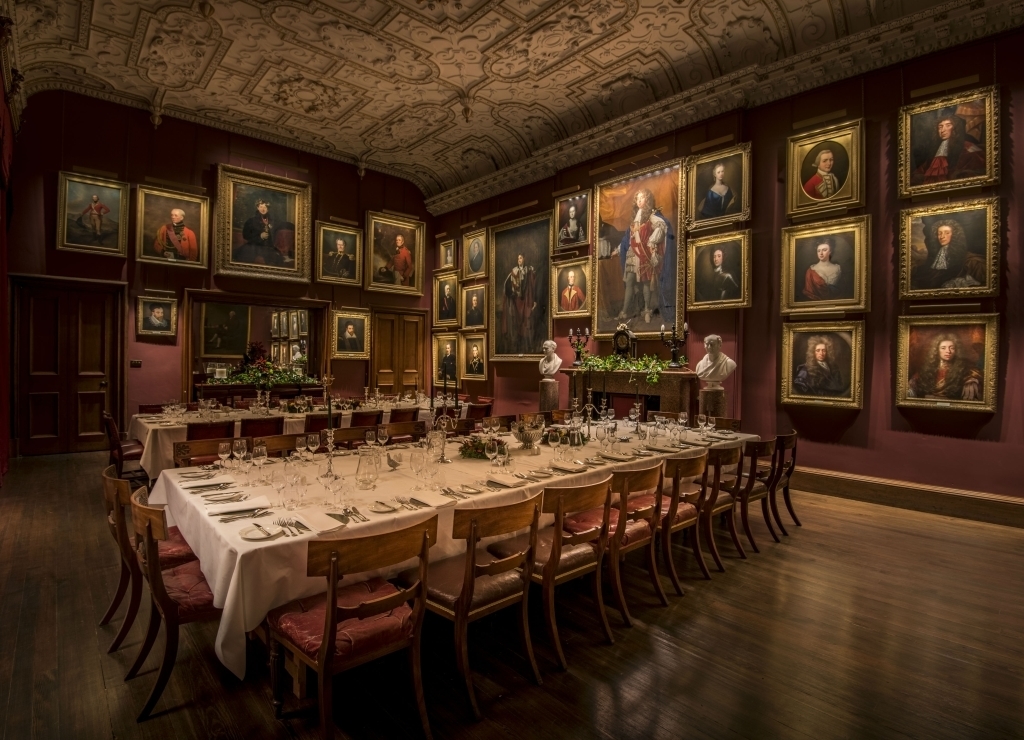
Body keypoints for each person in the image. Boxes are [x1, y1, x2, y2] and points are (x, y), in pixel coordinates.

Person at [614, 187, 672, 326]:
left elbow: (662, 226)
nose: (639, 201)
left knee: (646, 283)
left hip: (644, 254)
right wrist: (618, 249)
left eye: (642, 198)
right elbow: (628, 238)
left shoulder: (651, 215)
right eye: (637, 198)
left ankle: (647, 310)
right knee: (629, 282)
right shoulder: (635, 218)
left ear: (647, 200)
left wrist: (652, 240)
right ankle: (624, 311)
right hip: (632, 254)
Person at [912, 112, 986, 185]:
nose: (943, 130)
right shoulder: (935, 150)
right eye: (940, 127)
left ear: (955, 128)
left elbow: (979, 163)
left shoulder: (967, 146)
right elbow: (922, 170)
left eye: (948, 125)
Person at [911, 219, 985, 290]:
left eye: (947, 233)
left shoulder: (971, 261)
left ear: (955, 235)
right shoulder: (939, 255)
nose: (942, 236)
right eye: (939, 233)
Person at [908, 333, 981, 401]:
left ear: (956, 351)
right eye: (943, 348)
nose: (948, 351)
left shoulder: (963, 371)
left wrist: (971, 380)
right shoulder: (926, 370)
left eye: (952, 348)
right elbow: (912, 386)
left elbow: (975, 375)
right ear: (937, 350)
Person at [502, 252, 537, 354]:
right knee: (517, 322)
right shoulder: (514, 271)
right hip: (517, 301)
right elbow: (506, 286)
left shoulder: (529, 270)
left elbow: (532, 284)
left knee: (527, 321)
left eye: (521, 258)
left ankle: (528, 346)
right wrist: (512, 294)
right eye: (518, 258)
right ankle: (518, 344)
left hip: (526, 300)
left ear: (524, 259)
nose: (519, 260)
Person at [236, 199, 284, 266]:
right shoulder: (251, 221)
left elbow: (275, 235)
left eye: (265, 207)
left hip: (268, 247)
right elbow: (245, 235)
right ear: (257, 208)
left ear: (268, 209)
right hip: (255, 246)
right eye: (261, 207)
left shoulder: (272, 221)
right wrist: (260, 236)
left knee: (277, 260)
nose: (263, 209)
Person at [802, 237, 844, 302]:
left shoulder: (838, 268)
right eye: (818, 251)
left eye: (824, 250)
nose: (821, 253)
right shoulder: (811, 271)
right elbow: (809, 293)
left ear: (830, 251)